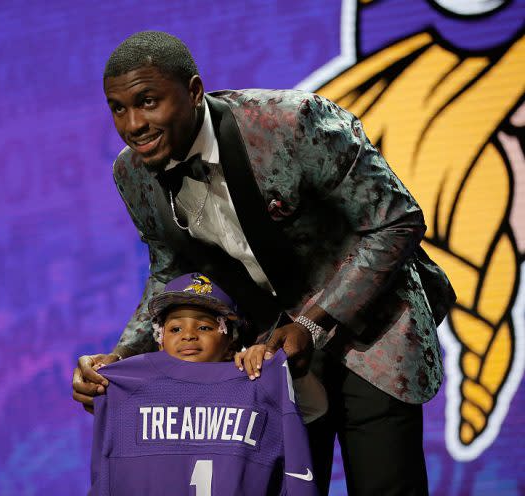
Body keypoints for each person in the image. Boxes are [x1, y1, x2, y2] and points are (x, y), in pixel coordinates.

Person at [73, 31, 456, 495]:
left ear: (194, 92)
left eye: (148, 102)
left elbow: (396, 221)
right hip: (270, 356)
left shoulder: (290, 123)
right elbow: (170, 271)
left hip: (373, 331)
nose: (133, 123)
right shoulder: (133, 173)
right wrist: (120, 359)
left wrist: (312, 323)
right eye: (118, 108)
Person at [90, 272, 321, 495]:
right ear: (159, 341)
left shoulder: (253, 377)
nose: (188, 335)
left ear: (232, 340)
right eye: (175, 328)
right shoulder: (131, 387)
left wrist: (275, 368)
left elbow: (315, 407)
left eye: (204, 327)